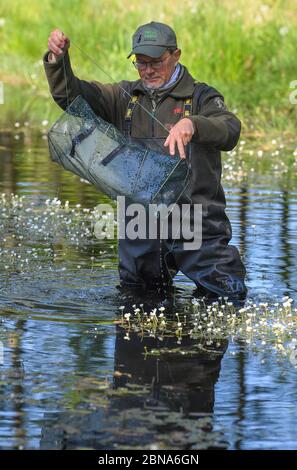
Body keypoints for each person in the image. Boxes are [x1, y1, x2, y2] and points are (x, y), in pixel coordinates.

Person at [44, 21, 247, 303]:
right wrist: (58, 61)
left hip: (196, 223)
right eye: (140, 63)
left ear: (176, 55)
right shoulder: (123, 98)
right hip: (140, 226)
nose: (148, 70)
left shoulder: (202, 97)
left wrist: (193, 124)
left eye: (156, 62)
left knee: (228, 296)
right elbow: (71, 96)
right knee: (135, 306)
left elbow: (230, 128)